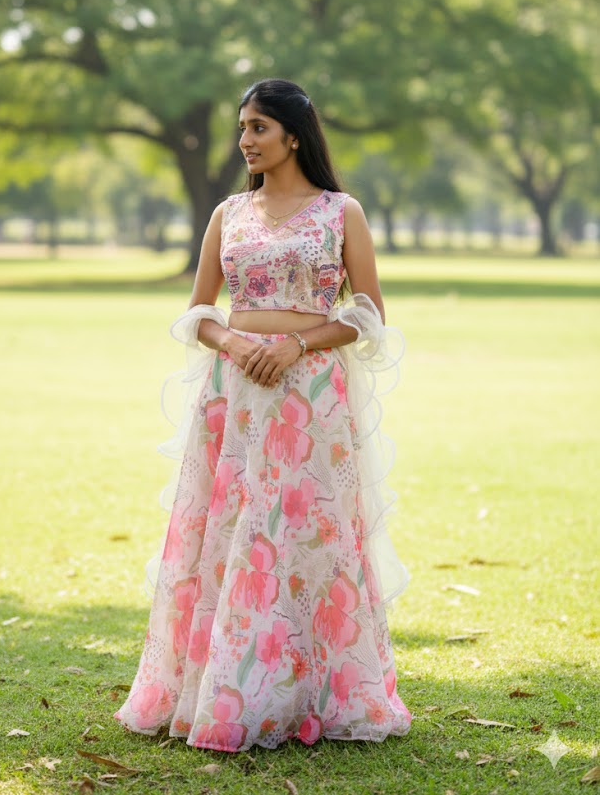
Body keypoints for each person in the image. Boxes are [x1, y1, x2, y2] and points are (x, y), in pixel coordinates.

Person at [114, 78, 411, 751]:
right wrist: (237, 343)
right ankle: (225, 689)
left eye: (257, 128)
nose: (244, 140)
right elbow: (197, 311)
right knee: (231, 534)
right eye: (242, 128)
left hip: (308, 397)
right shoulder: (228, 213)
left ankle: (309, 694)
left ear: (293, 135)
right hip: (235, 396)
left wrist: (296, 344)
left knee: (307, 536)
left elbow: (367, 315)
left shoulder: (340, 212)